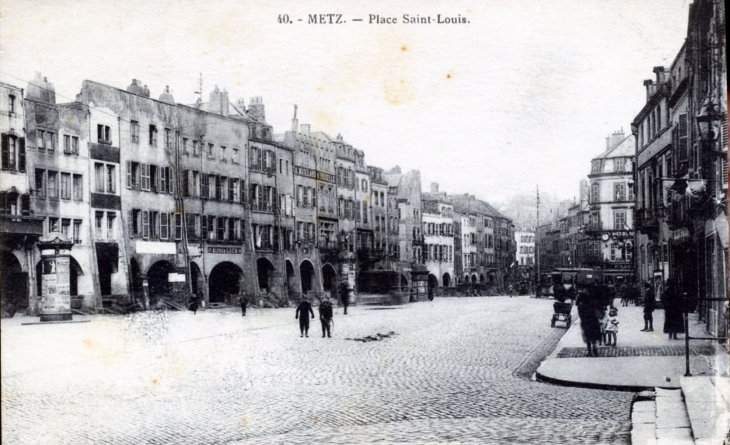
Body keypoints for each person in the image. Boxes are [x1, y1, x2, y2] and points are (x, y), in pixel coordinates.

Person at [577, 286, 601, 357]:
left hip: (585, 322)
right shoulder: (593, 303)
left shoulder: (580, 305)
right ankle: (595, 349)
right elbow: (598, 313)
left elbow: (580, 315)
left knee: (587, 337)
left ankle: (589, 352)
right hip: (594, 321)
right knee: (594, 335)